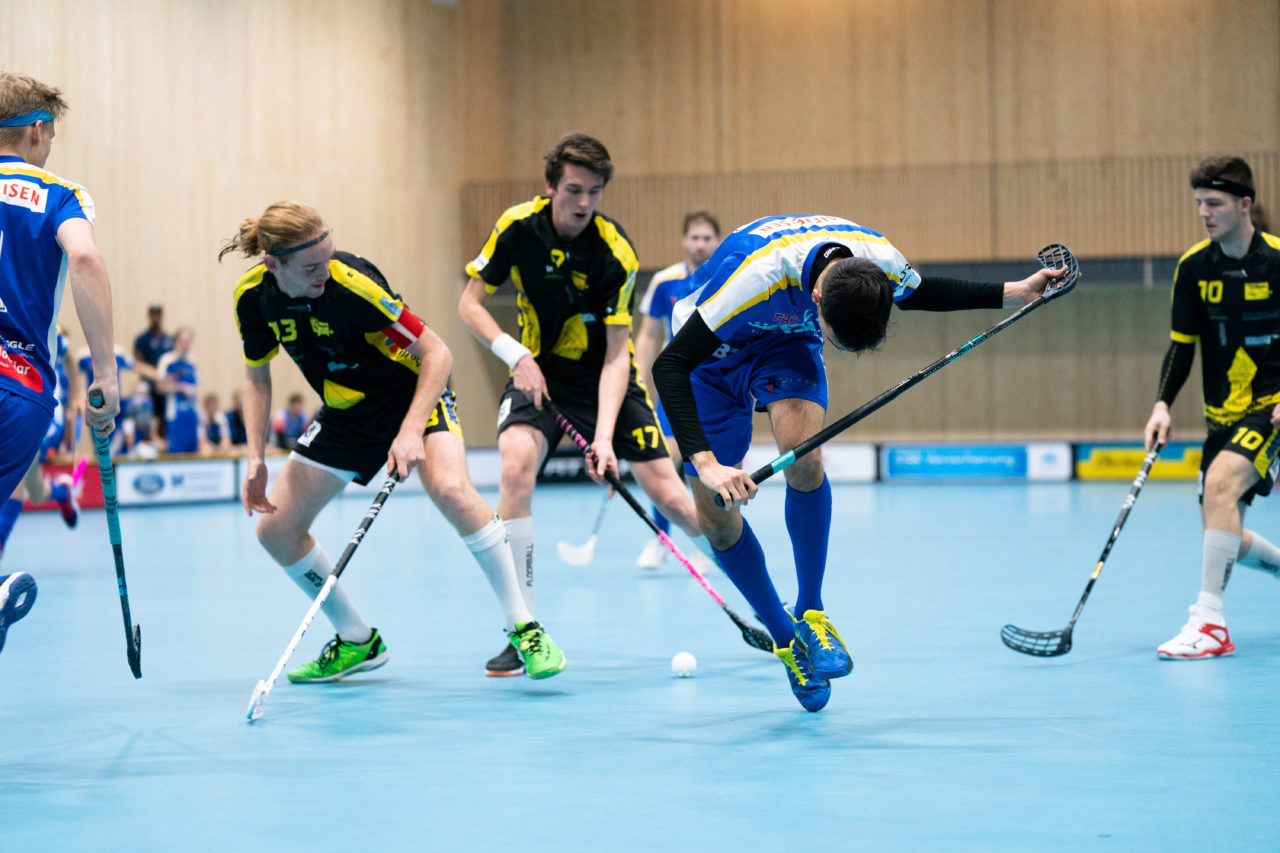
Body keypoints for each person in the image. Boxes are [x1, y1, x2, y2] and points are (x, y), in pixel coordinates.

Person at [652, 214, 1064, 711]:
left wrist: (1016, 290)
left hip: (785, 343)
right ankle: (786, 640)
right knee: (716, 520)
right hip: (706, 358)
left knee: (804, 459)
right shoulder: (755, 278)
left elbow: (924, 290)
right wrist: (706, 463)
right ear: (820, 301)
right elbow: (668, 364)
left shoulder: (879, 263)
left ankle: (812, 613)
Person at [222, 200, 565, 684]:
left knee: (450, 489)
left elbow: (437, 353)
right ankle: (357, 640)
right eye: (311, 267)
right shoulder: (252, 297)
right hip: (346, 414)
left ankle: (524, 626)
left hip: (413, 394)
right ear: (272, 264)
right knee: (275, 530)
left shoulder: (351, 284)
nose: (325, 273)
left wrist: (410, 429)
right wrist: (256, 455)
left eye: (328, 257)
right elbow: (256, 376)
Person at [458, 133, 710, 676]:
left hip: (604, 380)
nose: (583, 203)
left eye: (594, 192)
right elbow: (469, 304)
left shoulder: (614, 250)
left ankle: (765, 601)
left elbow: (619, 358)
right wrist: (515, 353)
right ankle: (522, 628)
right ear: (550, 186)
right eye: (573, 189)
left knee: (678, 500)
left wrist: (602, 439)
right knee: (514, 471)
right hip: (536, 373)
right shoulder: (516, 228)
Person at [0, 72, 120, 655]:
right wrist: (106, 376)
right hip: (16, 381)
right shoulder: (58, 193)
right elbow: (87, 259)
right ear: (39, 131)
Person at [1143, 155, 1280, 660]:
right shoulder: (1194, 268)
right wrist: (1162, 405)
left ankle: (1209, 625)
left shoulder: (1278, 262)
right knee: (1222, 530)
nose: (1203, 212)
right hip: (1220, 417)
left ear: (1245, 205)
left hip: (1271, 411)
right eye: (1199, 202)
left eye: (1215, 203)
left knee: (1220, 487)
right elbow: (1182, 345)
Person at [632, 211, 721, 569]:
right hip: (678, 384)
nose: (700, 244)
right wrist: (635, 382)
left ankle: (710, 538)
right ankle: (662, 538)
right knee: (665, 459)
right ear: (684, 240)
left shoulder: (726, 277)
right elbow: (648, 334)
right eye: (695, 237)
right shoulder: (664, 282)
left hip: (718, 384)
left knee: (707, 467)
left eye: (707, 238)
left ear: (717, 241)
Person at [0, 328, 82, 562]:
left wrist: (76, 397)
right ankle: (62, 493)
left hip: (35, 413)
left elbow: (70, 357)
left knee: (19, 477)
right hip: (14, 405)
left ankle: (1, 540)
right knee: (36, 492)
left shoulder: (48, 333)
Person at [157, 326, 200, 453]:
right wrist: (180, 388)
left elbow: (195, 390)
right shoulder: (167, 360)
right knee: (177, 452)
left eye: (188, 341)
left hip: (191, 414)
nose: (185, 344)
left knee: (192, 452)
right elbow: (160, 387)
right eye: (183, 340)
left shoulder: (192, 361)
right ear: (176, 341)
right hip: (175, 414)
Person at [133, 304, 172, 439]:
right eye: (153, 314)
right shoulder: (142, 339)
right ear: (149, 316)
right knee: (145, 408)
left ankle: (164, 440)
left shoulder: (168, 339)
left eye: (158, 314)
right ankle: (146, 439)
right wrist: (155, 376)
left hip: (164, 384)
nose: (156, 317)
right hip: (149, 382)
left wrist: (165, 380)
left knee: (165, 412)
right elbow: (138, 363)